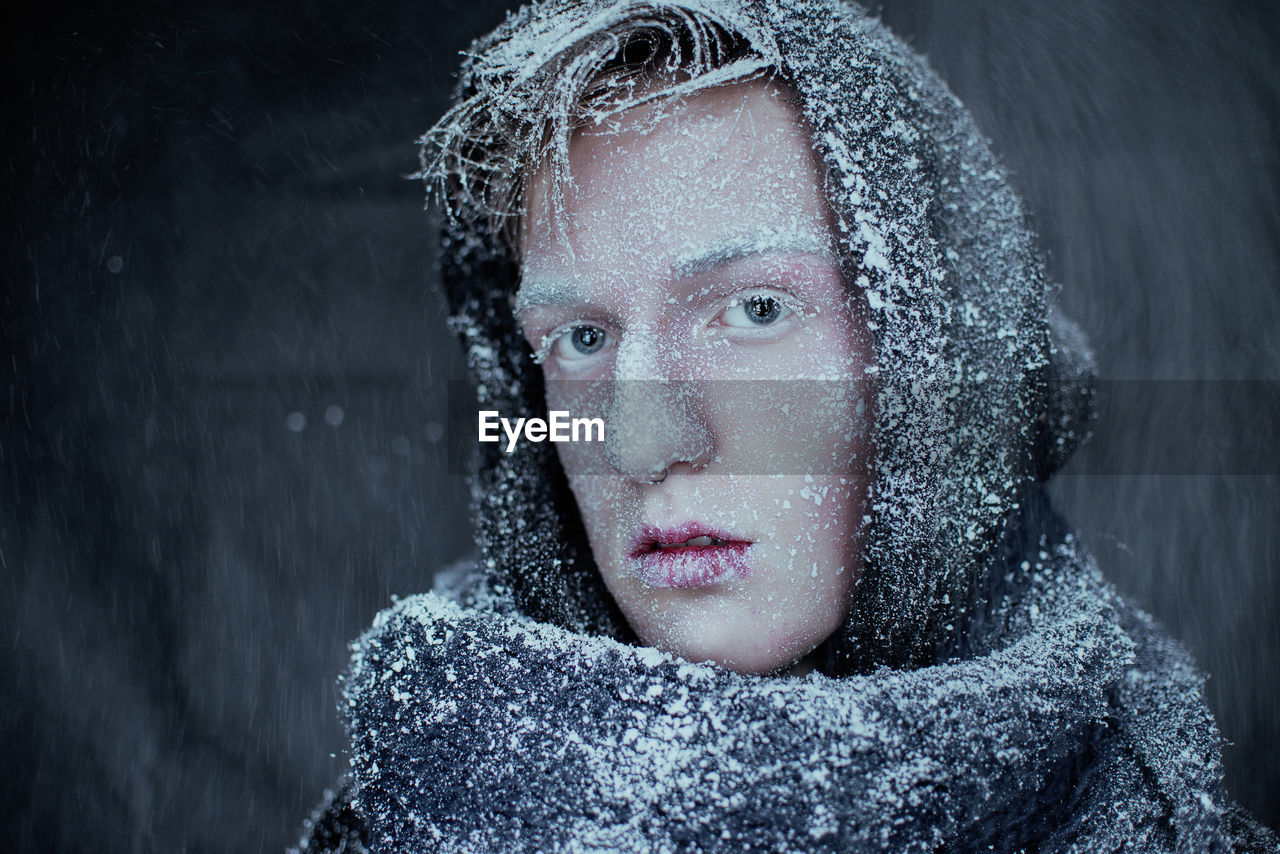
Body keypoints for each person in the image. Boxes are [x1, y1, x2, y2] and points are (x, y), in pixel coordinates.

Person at [294, 0, 1277, 850]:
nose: (638, 442)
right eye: (582, 336)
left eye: (755, 310)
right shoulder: (418, 793)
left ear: (933, 360)